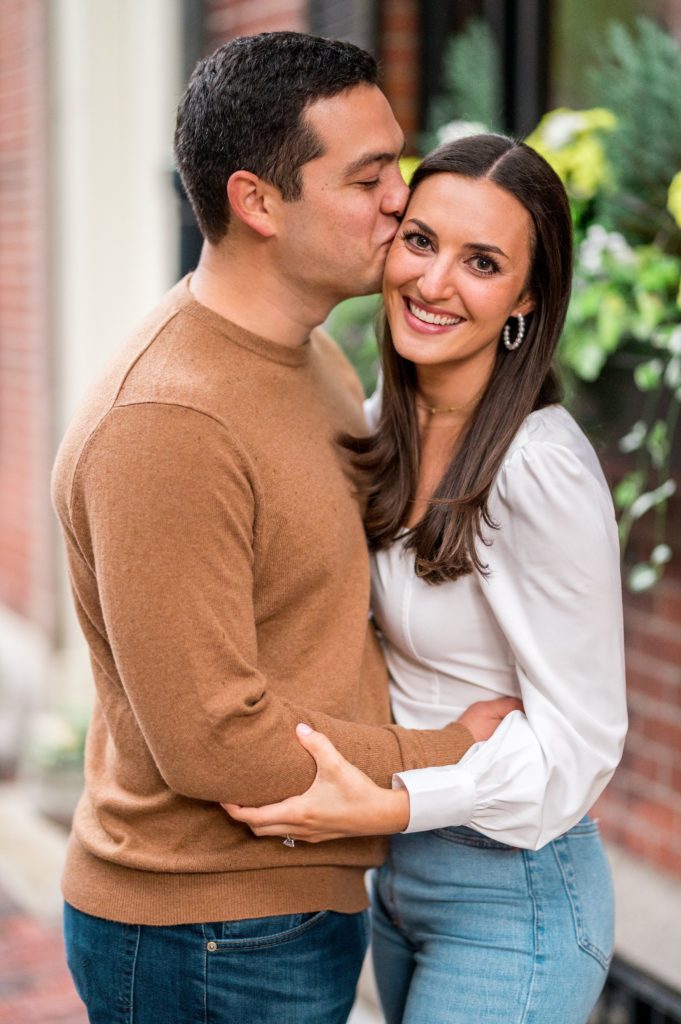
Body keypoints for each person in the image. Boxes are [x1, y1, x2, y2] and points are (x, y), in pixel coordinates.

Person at [51, 35, 518, 1024]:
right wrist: (447, 754)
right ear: (260, 202)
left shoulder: (316, 363)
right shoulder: (168, 425)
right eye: (368, 177)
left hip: (285, 908)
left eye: (399, 163)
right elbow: (216, 742)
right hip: (203, 934)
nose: (404, 197)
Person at [226, 134, 629, 1024]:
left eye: (481, 262)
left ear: (525, 297)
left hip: (511, 894)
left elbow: (581, 746)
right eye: (420, 240)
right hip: (393, 885)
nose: (434, 281)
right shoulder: (372, 422)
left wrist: (397, 796)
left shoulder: (538, 469)